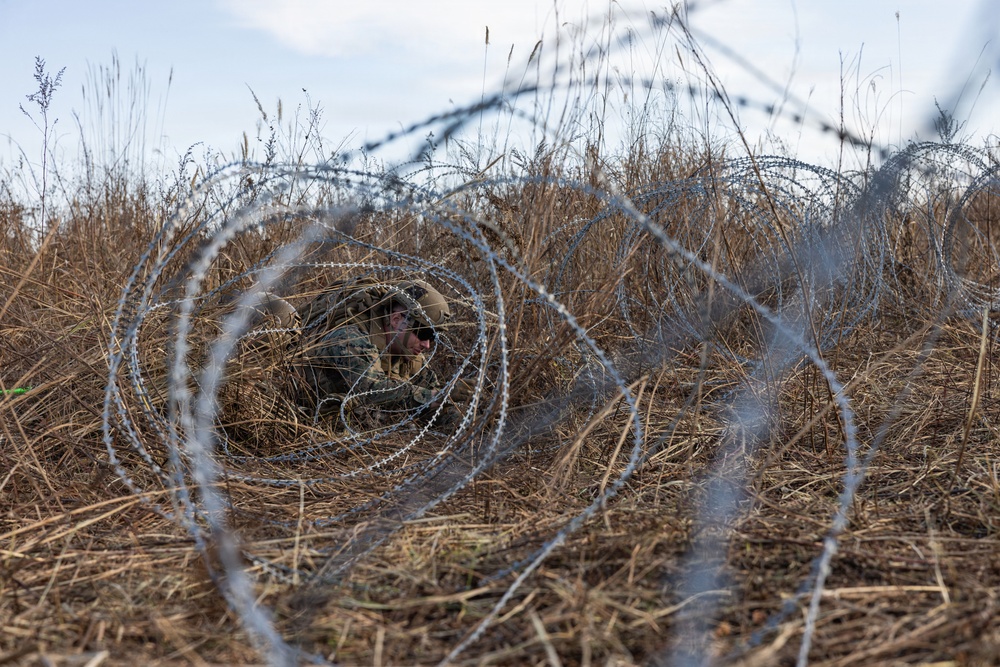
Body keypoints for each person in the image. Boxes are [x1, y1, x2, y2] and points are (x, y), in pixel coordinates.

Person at [293, 277, 464, 428]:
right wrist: (437, 397)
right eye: (424, 333)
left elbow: (434, 403)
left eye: (433, 337)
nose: (427, 345)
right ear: (396, 319)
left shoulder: (409, 356)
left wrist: (464, 424)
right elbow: (371, 390)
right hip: (302, 417)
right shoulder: (350, 338)